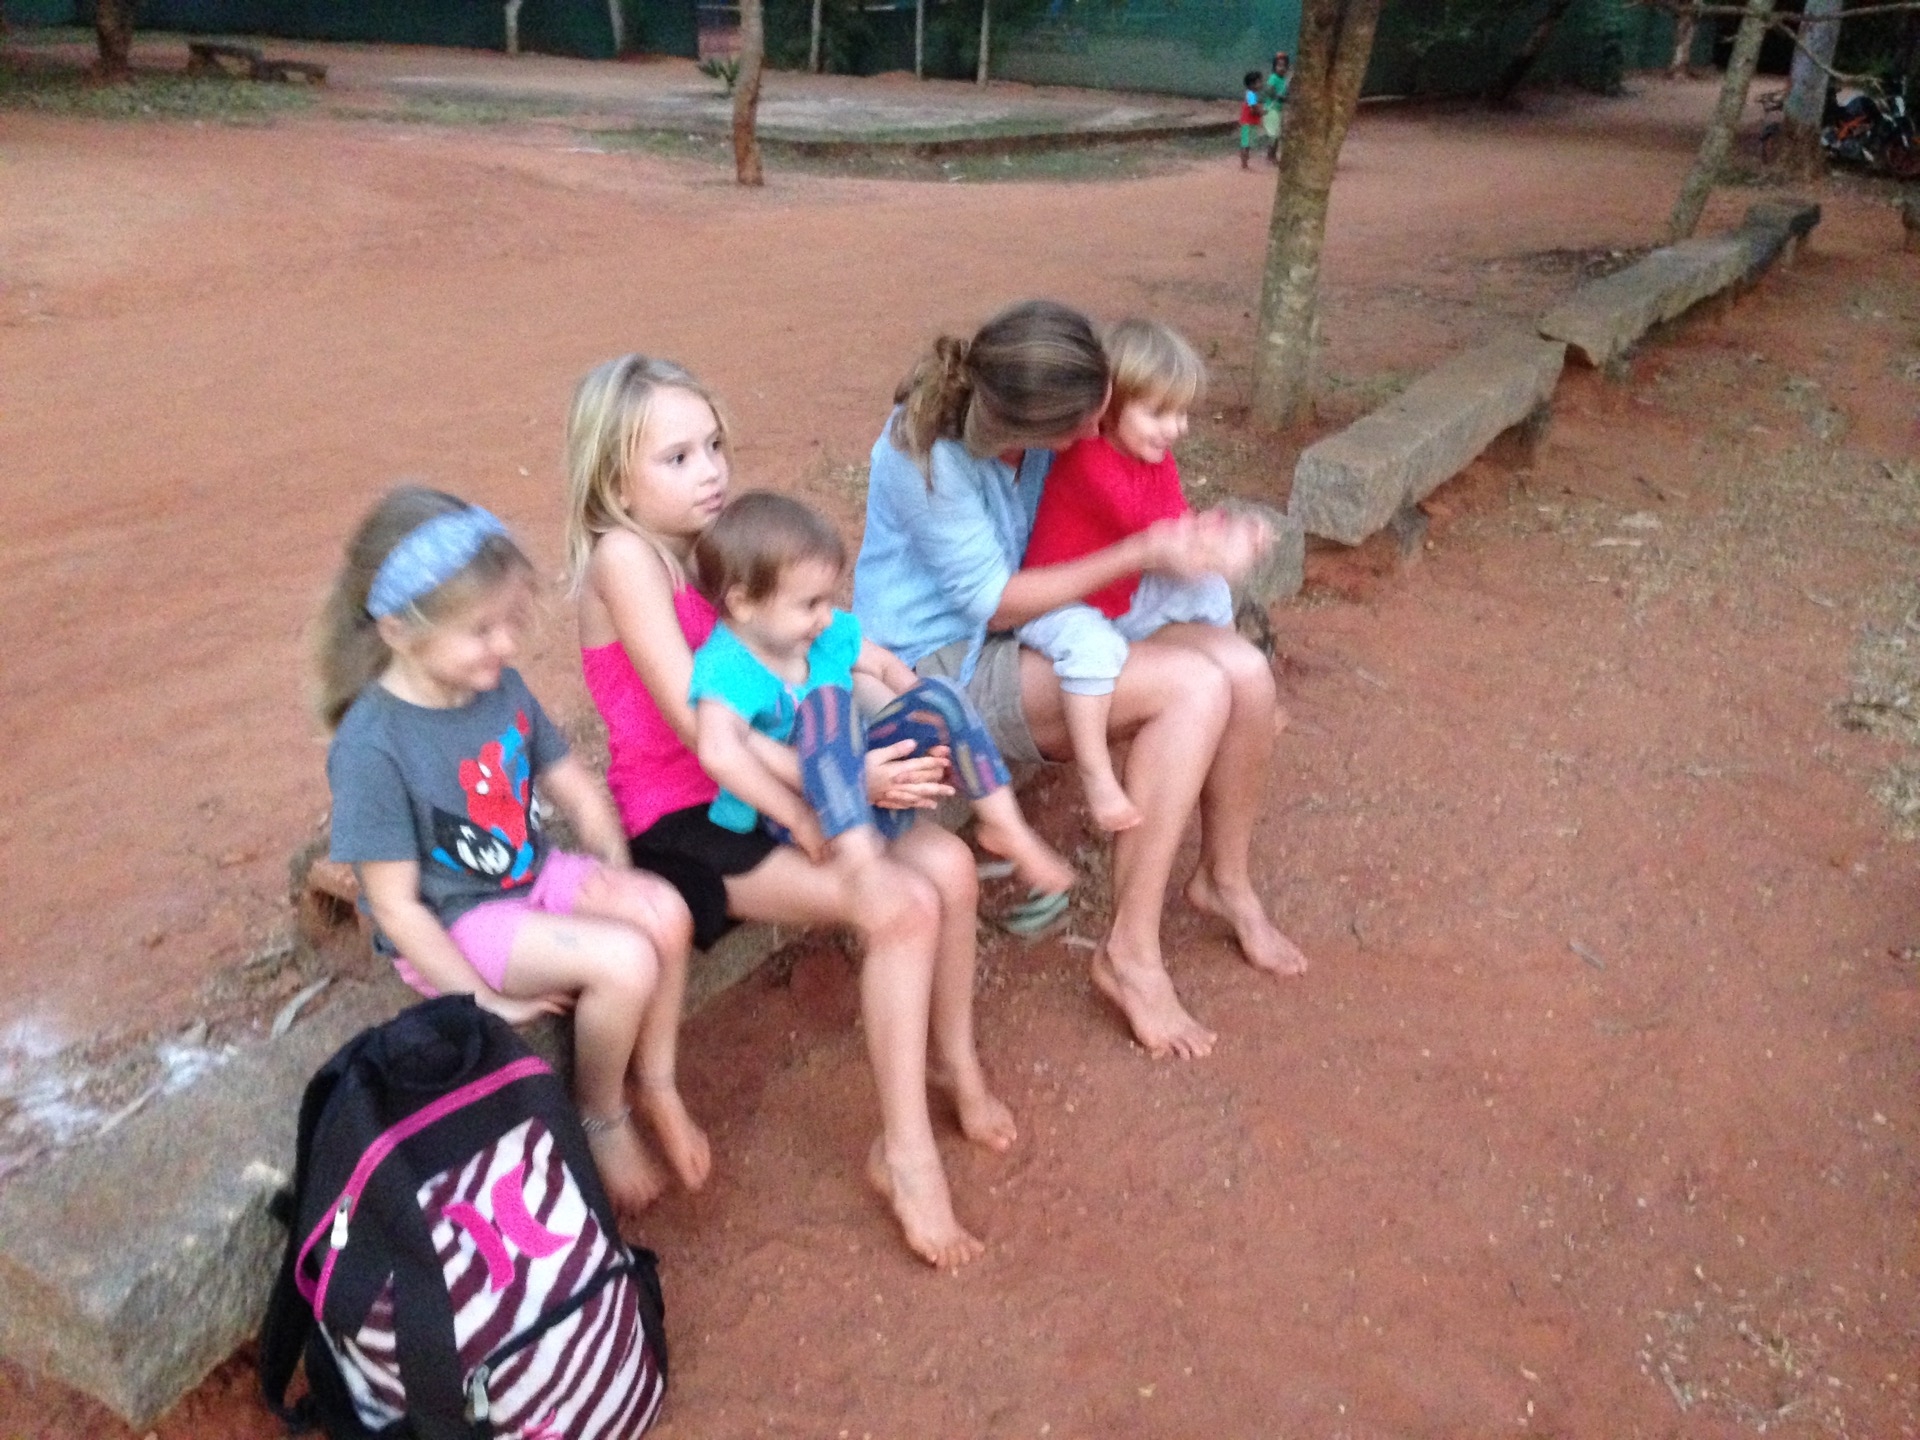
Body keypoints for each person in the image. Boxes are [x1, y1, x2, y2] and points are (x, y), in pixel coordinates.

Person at [566, 356, 1007, 1270]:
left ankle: (954, 1063)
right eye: (678, 457)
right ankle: (906, 1155)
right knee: (899, 905)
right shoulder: (623, 558)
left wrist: (885, 724)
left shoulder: (719, 547)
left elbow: (819, 658)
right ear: (614, 481)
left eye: (714, 446)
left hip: (771, 788)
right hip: (688, 817)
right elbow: (697, 728)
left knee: (952, 868)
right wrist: (843, 777)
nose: (711, 471)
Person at [853, 300, 1309, 1063]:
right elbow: (996, 603)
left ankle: (1225, 882)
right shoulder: (924, 458)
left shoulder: (1048, 409)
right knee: (1193, 689)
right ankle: (1130, 954)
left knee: (1244, 671)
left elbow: (1132, 495)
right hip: (939, 669)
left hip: (1042, 626)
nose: (1101, 427)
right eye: (1088, 423)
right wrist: (1141, 553)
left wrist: (1201, 543)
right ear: (1038, 430)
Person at [315, 486, 704, 1229]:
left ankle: (658, 1081)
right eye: (481, 629)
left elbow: (574, 786)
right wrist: (478, 999)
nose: (506, 645)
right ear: (397, 631)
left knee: (666, 912)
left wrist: (615, 866)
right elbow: (396, 907)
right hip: (458, 919)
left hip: (530, 875)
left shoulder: (500, 690)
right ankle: (601, 1113)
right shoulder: (373, 745)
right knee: (626, 961)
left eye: (510, 623)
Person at [687, 490, 1074, 911]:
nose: (826, 616)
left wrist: (930, 718)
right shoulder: (725, 667)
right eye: (810, 604)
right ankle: (860, 859)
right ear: (743, 604)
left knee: (941, 694)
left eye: (828, 599)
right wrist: (799, 818)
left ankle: (1006, 826)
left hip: (869, 791)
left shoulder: (825, 633)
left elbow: (885, 665)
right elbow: (719, 753)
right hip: (795, 814)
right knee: (828, 703)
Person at [1016, 319, 1265, 835]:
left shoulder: (1156, 458)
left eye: (1181, 413)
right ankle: (1096, 774)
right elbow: (1158, 533)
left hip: (1118, 592)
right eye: (1157, 413)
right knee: (1094, 652)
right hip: (1059, 603)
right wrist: (1222, 544)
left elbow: (1176, 520)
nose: (1175, 428)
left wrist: (1218, 539)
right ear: (1110, 408)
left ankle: (1234, 682)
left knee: (1206, 588)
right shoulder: (1089, 460)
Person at [1264, 51, 1291, 165]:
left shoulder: (1284, 80)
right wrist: (1279, 97)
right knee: (1274, 134)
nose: (1281, 68)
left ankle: (1272, 155)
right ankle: (1270, 156)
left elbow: (1285, 93)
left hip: (1277, 109)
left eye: (1284, 66)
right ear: (1274, 67)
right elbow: (1269, 91)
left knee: (1276, 134)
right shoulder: (1273, 78)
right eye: (1279, 65)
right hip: (1272, 109)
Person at [1238, 70, 1264, 170]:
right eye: (1258, 82)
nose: (1261, 84)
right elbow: (1253, 110)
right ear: (1252, 84)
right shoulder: (1252, 95)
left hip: (1247, 122)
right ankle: (1244, 164)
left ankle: (1244, 163)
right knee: (1246, 144)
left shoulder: (1250, 94)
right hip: (1248, 123)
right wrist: (1261, 112)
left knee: (1246, 143)